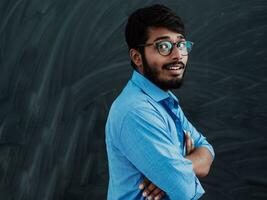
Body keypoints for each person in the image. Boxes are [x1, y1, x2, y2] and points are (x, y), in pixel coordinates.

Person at [105, 4, 215, 200]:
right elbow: (183, 188)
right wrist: (175, 174)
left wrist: (176, 167)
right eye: (163, 46)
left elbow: (207, 151)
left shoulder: (163, 100)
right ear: (137, 57)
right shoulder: (136, 111)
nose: (177, 55)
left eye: (181, 44)